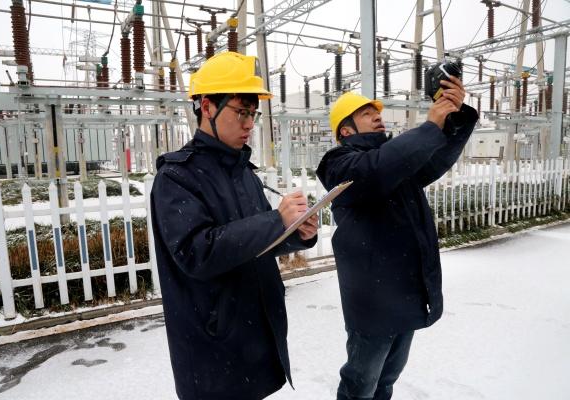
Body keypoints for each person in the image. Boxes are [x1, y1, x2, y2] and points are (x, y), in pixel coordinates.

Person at [150, 51, 319, 400]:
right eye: (241, 112)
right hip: (215, 344)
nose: (249, 124)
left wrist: (297, 233)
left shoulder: (243, 172)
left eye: (253, 114)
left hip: (255, 331)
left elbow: (260, 242)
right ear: (207, 107)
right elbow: (197, 252)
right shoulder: (177, 177)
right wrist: (276, 220)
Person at [315, 76, 477, 400]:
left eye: (376, 112)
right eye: (366, 114)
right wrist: (429, 127)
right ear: (345, 131)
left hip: (404, 295)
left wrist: (454, 116)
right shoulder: (339, 164)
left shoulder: (396, 162)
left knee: (387, 378)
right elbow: (375, 170)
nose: (377, 116)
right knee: (360, 384)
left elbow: (435, 157)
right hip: (372, 303)